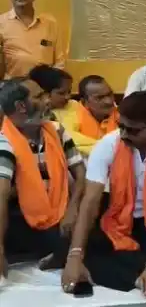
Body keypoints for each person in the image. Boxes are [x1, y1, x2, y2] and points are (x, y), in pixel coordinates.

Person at [61, 91, 146, 299]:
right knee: (74, 242)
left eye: (133, 129)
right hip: (116, 218)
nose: (124, 134)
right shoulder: (108, 144)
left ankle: (144, 274)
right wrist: (74, 256)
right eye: (121, 126)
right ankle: (144, 281)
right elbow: (90, 202)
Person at [0, 78, 86, 275]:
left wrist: (72, 209)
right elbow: (1, 195)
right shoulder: (4, 142)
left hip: (60, 212)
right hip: (22, 217)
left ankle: (54, 251)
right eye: (39, 96)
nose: (47, 100)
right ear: (21, 106)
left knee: (93, 218)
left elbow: (81, 175)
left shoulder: (56, 130)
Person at [0, 0, 66, 79]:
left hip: (44, 87)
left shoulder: (50, 23)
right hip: (13, 87)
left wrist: (51, 85)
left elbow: (60, 62)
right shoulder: (1, 23)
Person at [55, 75, 118, 156]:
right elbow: (68, 140)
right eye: (100, 98)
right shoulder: (72, 119)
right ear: (84, 102)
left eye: (110, 94)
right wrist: (104, 148)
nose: (109, 101)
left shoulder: (123, 115)